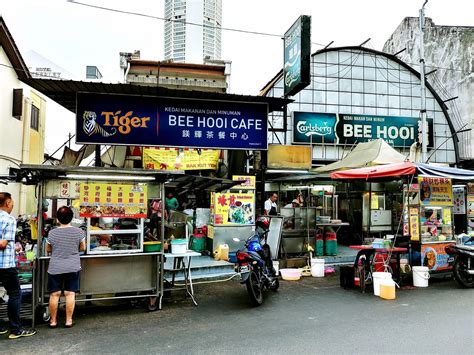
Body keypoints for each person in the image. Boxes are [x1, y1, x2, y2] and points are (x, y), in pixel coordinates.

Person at [0, 192, 36, 339]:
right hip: (5, 266)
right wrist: (7, 246)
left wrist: (12, 247)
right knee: (15, 294)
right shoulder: (9, 219)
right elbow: (2, 244)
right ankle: (16, 329)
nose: (13, 204)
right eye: (12, 201)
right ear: (8, 202)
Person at [46, 206, 85, 328]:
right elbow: (83, 247)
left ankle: (53, 321)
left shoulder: (52, 232)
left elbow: (48, 249)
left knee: (54, 294)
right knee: (70, 294)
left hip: (55, 267)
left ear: (57, 218)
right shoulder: (79, 232)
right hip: (72, 266)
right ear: (71, 218)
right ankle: (68, 321)